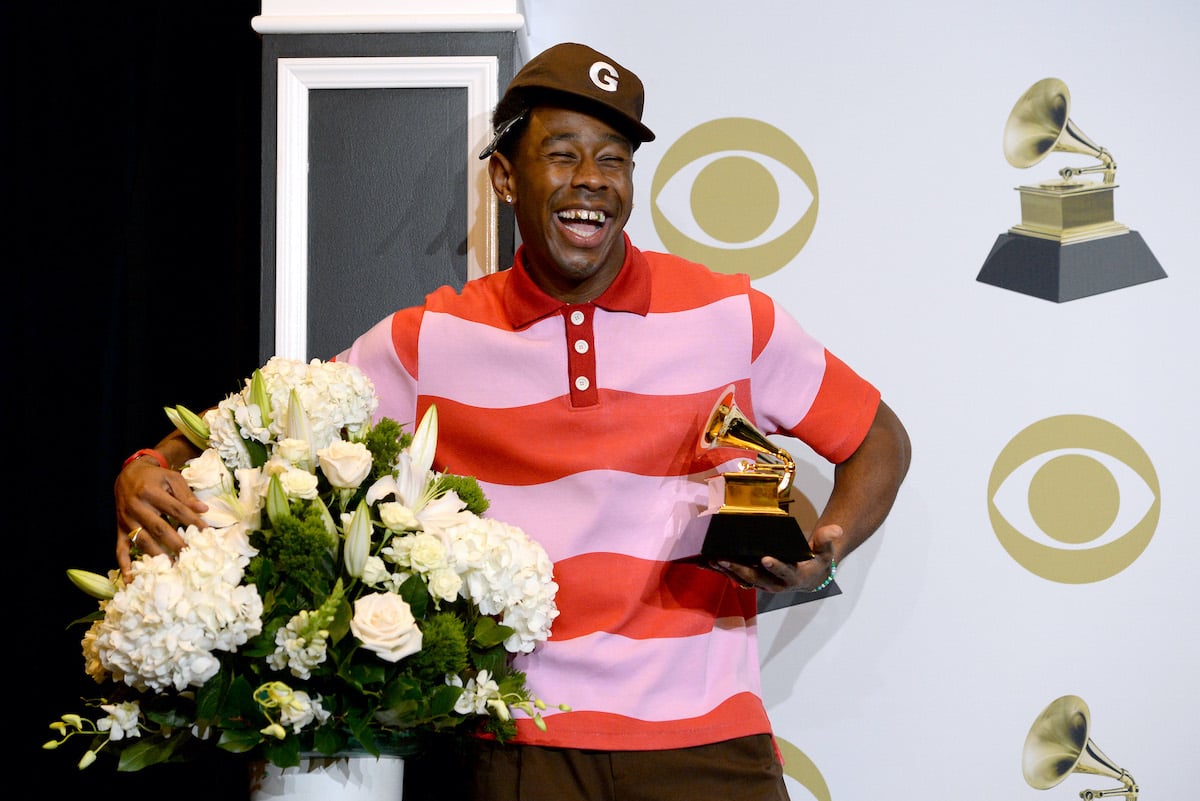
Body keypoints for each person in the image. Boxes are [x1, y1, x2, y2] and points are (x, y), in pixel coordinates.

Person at [113, 42, 911, 801]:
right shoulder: (431, 340)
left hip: (706, 746)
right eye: (562, 154)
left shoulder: (729, 314)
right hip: (515, 749)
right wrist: (151, 461)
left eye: (613, 158)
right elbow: (273, 413)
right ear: (504, 177)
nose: (592, 179)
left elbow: (879, 437)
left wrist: (823, 553)